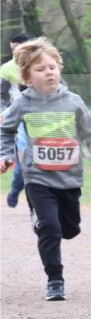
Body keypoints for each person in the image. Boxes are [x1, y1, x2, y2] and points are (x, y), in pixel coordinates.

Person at [0, 37, 91, 301]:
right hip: (37, 176)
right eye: (40, 69)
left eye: (52, 67)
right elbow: (6, 130)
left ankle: (43, 221)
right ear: (27, 77)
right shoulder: (23, 103)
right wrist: (5, 155)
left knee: (69, 230)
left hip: (69, 177)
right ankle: (55, 279)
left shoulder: (73, 101)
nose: (48, 72)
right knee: (49, 227)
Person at [2, 33, 31, 207]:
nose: (15, 53)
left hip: (41, 116)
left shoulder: (40, 64)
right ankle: (15, 190)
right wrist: (3, 113)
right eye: (12, 49)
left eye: (18, 49)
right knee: (25, 156)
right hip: (18, 118)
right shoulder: (6, 69)